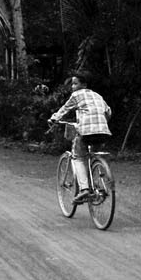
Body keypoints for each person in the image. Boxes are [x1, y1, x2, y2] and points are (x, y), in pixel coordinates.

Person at [49, 72, 113, 204]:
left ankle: (84, 189)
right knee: (92, 156)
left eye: (75, 83)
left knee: (78, 157)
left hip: (87, 132)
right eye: (72, 84)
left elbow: (64, 109)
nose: (72, 86)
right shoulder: (98, 95)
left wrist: (54, 118)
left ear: (84, 85)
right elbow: (108, 112)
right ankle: (96, 184)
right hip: (103, 131)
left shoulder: (77, 95)